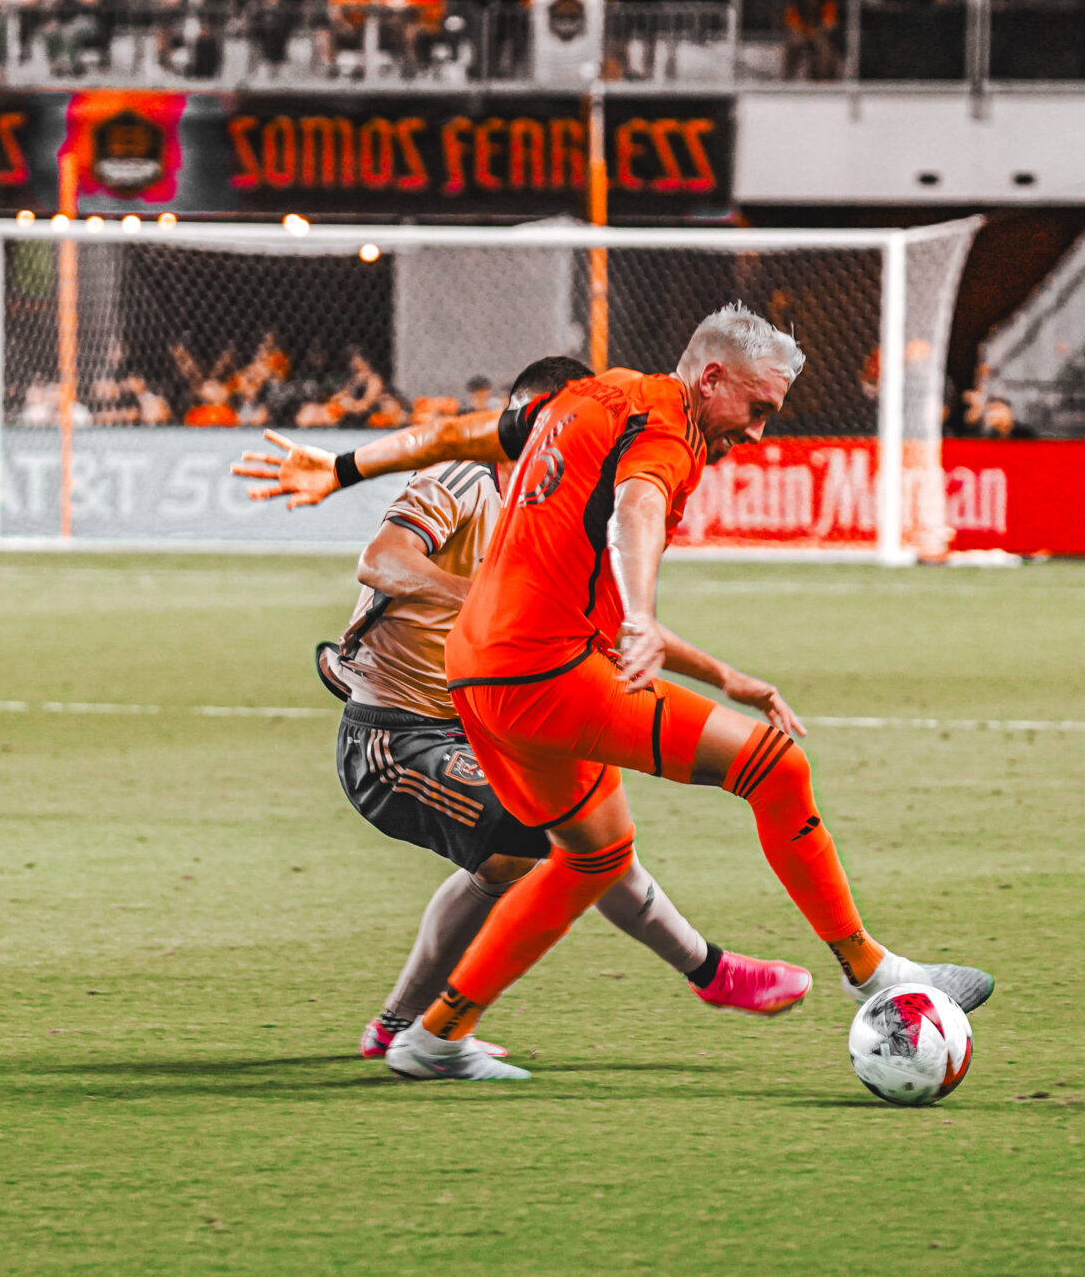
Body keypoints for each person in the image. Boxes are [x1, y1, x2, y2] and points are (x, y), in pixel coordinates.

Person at [323, 308, 992, 1080]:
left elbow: (459, 434)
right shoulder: (666, 437)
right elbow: (637, 513)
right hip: (539, 678)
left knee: (590, 856)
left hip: (481, 678)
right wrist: (640, 614)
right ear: (710, 379)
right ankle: (873, 971)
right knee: (774, 768)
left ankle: (433, 1037)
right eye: (758, 409)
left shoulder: (598, 400)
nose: (759, 434)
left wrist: (340, 467)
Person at [254, 356, 816, 1059]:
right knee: (542, 839)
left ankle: (404, 1027)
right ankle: (707, 970)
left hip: (484, 721)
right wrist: (492, 604)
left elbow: (600, 623)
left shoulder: (562, 503)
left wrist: (728, 676)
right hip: (395, 737)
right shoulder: (464, 479)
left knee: (564, 840)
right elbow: (381, 560)